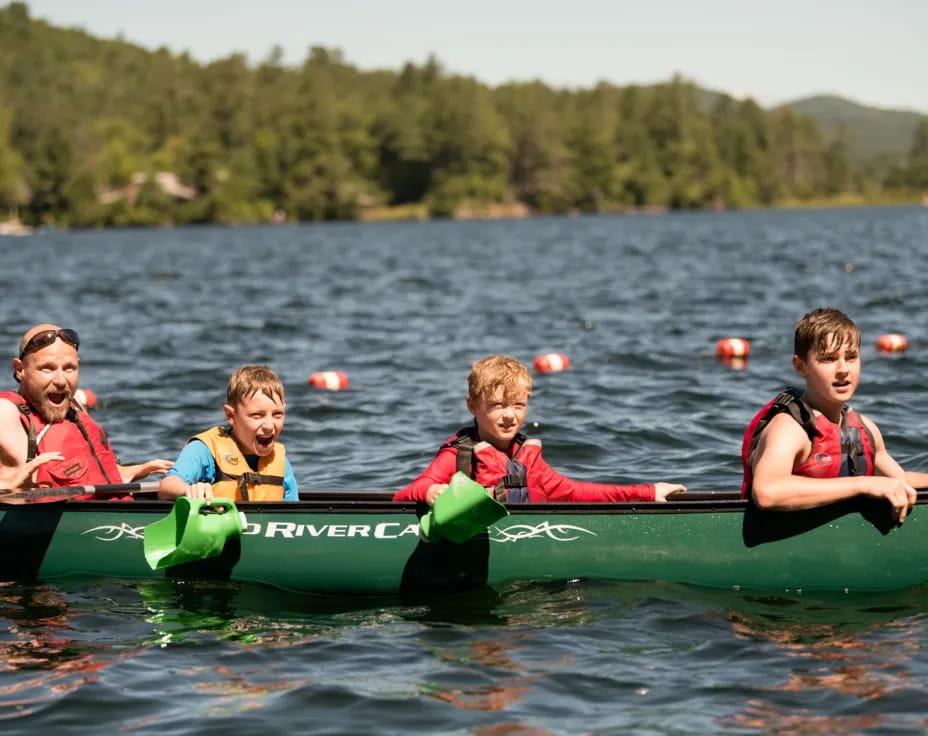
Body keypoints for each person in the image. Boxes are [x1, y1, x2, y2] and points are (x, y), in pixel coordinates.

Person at [393, 354, 686, 504]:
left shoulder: (526, 456)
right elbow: (407, 493)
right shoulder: (459, 456)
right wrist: (432, 492)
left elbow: (574, 492)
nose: (509, 416)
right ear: (473, 407)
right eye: (497, 405)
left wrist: (647, 492)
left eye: (518, 405)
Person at [741, 308, 928, 523]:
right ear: (800, 366)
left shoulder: (865, 429)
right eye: (828, 359)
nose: (843, 369)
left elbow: (898, 480)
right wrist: (864, 484)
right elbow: (767, 492)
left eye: (851, 357)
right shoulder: (790, 429)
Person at [0, 324, 172, 494]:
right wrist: (10, 482)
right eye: (47, 368)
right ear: (20, 369)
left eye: (69, 368)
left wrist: (135, 471)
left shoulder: (74, 407)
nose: (61, 380)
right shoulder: (6, 412)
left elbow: (96, 477)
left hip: (115, 513)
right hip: (62, 518)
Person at [158, 364, 299, 502]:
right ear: (231, 416)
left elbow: (295, 514)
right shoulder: (204, 450)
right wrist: (188, 490)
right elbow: (167, 486)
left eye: (278, 414)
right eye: (257, 415)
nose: (269, 426)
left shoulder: (280, 462)